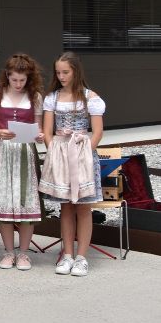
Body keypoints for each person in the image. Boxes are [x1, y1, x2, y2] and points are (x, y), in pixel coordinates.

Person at [39, 52, 105, 277]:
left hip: (82, 154)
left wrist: (84, 153)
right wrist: (55, 152)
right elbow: (48, 132)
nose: (61, 76)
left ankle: (82, 257)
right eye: (58, 72)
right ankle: (67, 254)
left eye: (65, 72)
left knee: (84, 207)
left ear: (76, 71)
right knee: (65, 206)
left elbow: (97, 132)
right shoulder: (53, 98)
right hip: (60, 154)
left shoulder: (90, 97)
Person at [0, 54, 45, 271]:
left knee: (25, 200)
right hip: (3, 150)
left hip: (24, 152)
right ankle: (9, 251)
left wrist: (38, 136)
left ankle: (23, 253)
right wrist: (0, 132)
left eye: (23, 80)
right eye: (15, 80)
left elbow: (38, 129)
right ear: (7, 77)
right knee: (3, 199)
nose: (19, 84)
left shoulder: (35, 96)